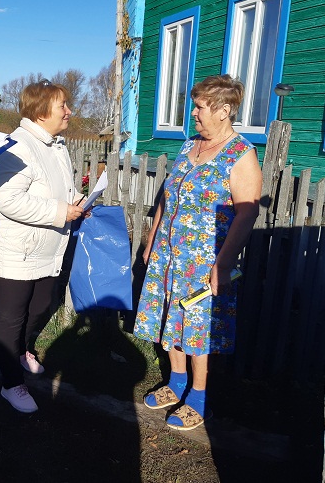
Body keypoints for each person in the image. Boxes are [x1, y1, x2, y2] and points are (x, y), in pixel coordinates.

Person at [136, 74, 262, 431]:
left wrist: (222, 264)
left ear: (224, 111)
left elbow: (247, 211)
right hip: (168, 254)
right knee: (168, 316)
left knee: (197, 329)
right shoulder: (187, 146)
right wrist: (151, 239)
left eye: (200, 107)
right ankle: (176, 382)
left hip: (204, 261)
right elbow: (166, 195)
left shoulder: (241, 154)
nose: (193, 113)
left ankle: (199, 395)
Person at [0, 80, 84, 413]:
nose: (69, 111)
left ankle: (22, 350)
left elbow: (56, 189)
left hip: (45, 250)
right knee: (11, 318)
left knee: (41, 305)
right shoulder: (18, 146)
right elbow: (6, 198)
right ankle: (11, 384)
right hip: (15, 251)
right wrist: (59, 212)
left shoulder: (55, 144)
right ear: (40, 112)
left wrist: (77, 201)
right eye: (62, 106)